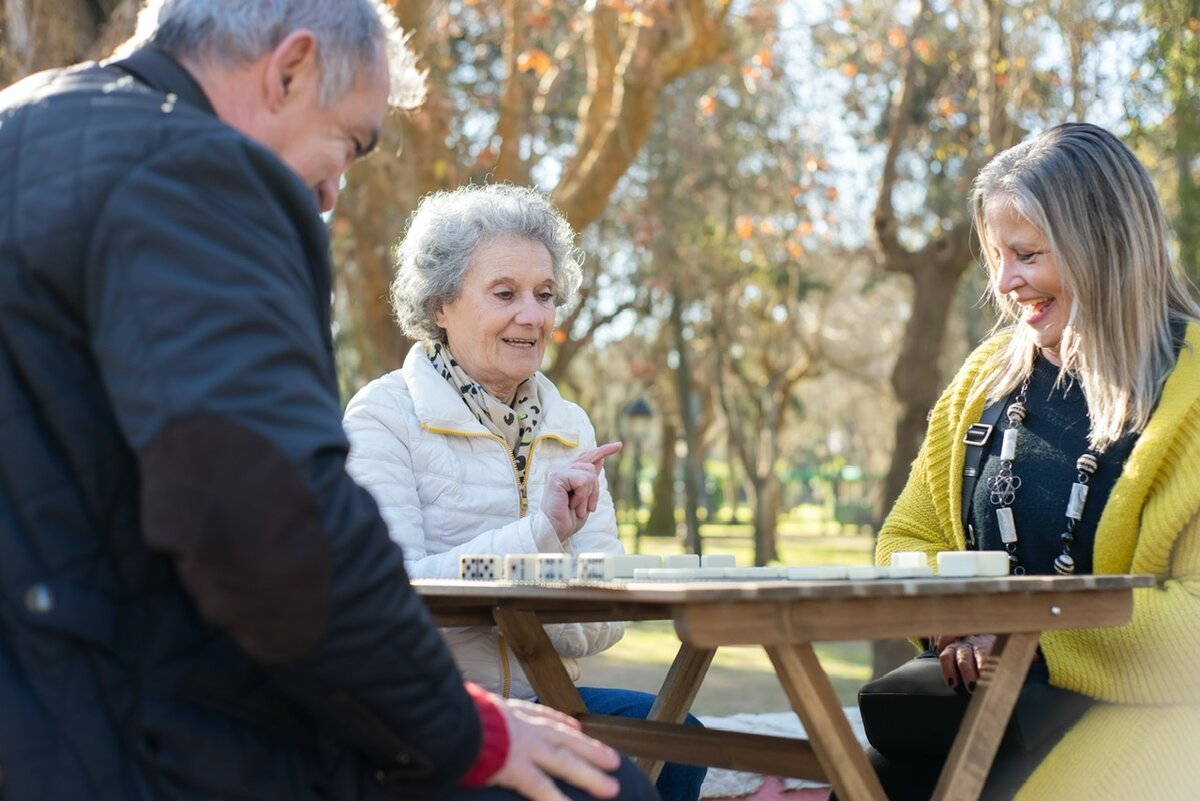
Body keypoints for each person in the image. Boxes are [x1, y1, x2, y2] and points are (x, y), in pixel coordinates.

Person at [0, 2, 660, 801]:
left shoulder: (25, 121)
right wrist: (465, 728)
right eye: (348, 142)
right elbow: (271, 523)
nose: (331, 194)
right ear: (290, 69)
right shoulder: (200, 172)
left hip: (57, 695)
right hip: (118, 728)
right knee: (603, 780)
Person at [342, 183, 707, 801]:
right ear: (439, 304)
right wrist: (540, 538)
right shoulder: (383, 416)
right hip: (429, 714)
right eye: (504, 294)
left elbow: (607, 619)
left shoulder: (570, 426)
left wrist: (534, 611)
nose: (533, 316)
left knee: (675, 741)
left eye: (544, 295)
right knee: (619, 783)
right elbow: (388, 598)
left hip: (546, 695)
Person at [873, 122, 1200, 799]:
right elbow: (905, 539)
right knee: (864, 785)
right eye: (996, 254)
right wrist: (951, 613)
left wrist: (1030, 640)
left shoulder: (1190, 397)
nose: (1004, 281)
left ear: (1102, 248)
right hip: (986, 710)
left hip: (1155, 719)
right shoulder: (982, 381)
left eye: (1025, 253)